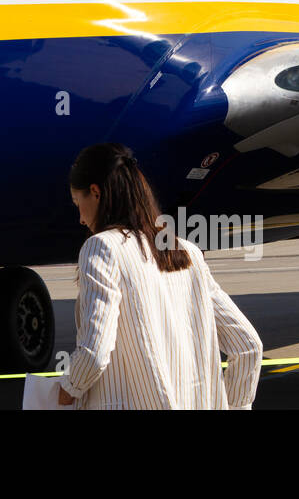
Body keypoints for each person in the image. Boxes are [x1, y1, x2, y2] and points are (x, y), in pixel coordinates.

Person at [56, 143, 262, 409]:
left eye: (78, 203)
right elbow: (247, 346)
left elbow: (95, 352)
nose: (81, 219)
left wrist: (66, 390)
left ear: (95, 193)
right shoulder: (187, 252)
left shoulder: (102, 247)